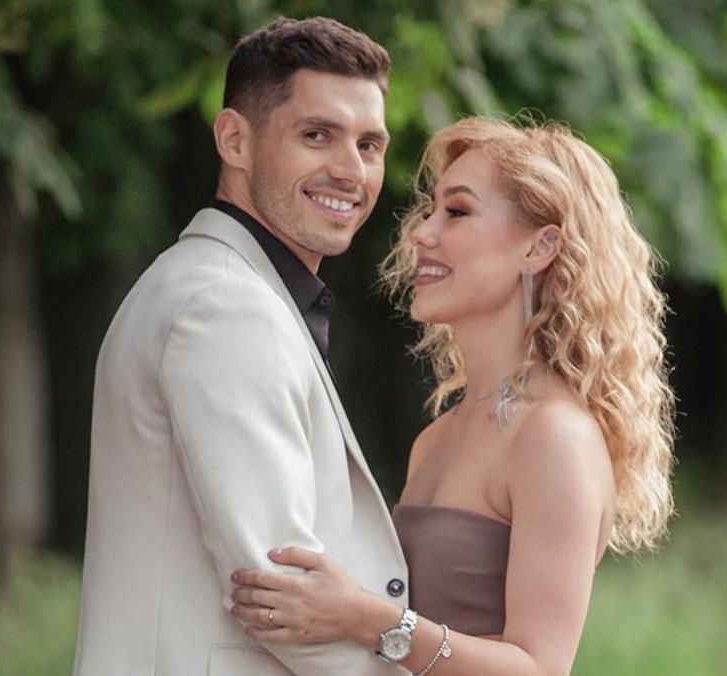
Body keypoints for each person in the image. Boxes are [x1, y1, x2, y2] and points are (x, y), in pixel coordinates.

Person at [229, 116, 676, 676]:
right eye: (431, 210)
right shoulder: (437, 437)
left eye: (458, 212)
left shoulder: (555, 436)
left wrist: (365, 619)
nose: (422, 233)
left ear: (540, 247)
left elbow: (539, 668)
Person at [72, 17, 412, 676]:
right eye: (317, 136)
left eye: (370, 145)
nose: (351, 170)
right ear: (235, 139)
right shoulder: (225, 309)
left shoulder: (215, 288)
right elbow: (279, 594)